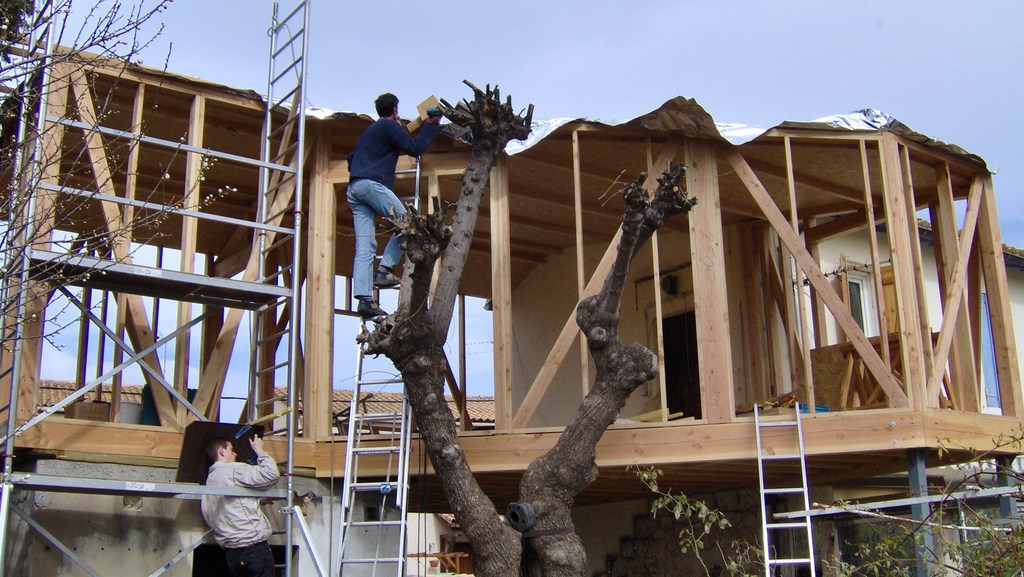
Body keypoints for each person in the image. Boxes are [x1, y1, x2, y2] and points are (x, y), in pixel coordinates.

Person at [346, 92, 442, 318]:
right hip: (371, 185)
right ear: (395, 111)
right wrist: (431, 124)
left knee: (365, 247)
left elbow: (351, 158)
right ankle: (384, 270)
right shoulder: (390, 127)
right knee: (410, 224)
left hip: (355, 189)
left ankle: (364, 300)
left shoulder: (369, 132)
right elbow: (415, 147)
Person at [201, 435, 281, 577]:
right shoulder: (232, 470)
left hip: (233, 555)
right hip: (253, 550)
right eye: (232, 450)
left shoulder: (210, 481)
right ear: (221, 451)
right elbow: (271, 474)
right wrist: (260, 451)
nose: (235, 454)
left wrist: (257, 500)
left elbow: (230, 507)